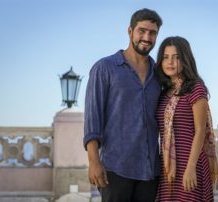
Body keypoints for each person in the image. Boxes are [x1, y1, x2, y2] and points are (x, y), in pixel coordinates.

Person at [83, 8, 163, 202]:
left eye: (152, 33)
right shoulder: (105, 68)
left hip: (151, 170)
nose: (147, 37)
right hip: (116, 168)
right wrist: (94, 162)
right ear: (130, 31)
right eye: (142, 31)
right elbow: (93, 119)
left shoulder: (159, 74)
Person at [155, 36, 218, 202]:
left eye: (176, 57)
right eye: (166, 57)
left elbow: (200, 131)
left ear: (185, 60)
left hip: (191, 164)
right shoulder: (163, 93)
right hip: (168, 168)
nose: (170, 62)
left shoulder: (195, 88)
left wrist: (190, 168)